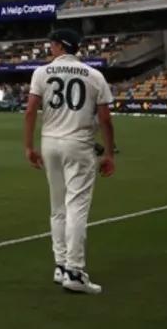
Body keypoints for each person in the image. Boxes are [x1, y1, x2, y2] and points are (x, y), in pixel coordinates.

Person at [23, 29, 116, 295]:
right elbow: (106, 119)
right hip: (79, 145)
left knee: (57, 208)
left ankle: (61, 265)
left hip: (50, 143)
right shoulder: (94, 75)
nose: (49, 48)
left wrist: (29, 147)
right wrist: (109, 153)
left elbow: (30, 111)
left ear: (59, 46)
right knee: (76, 208)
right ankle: (75, 271)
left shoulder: (41, 73)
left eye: (51, 43)